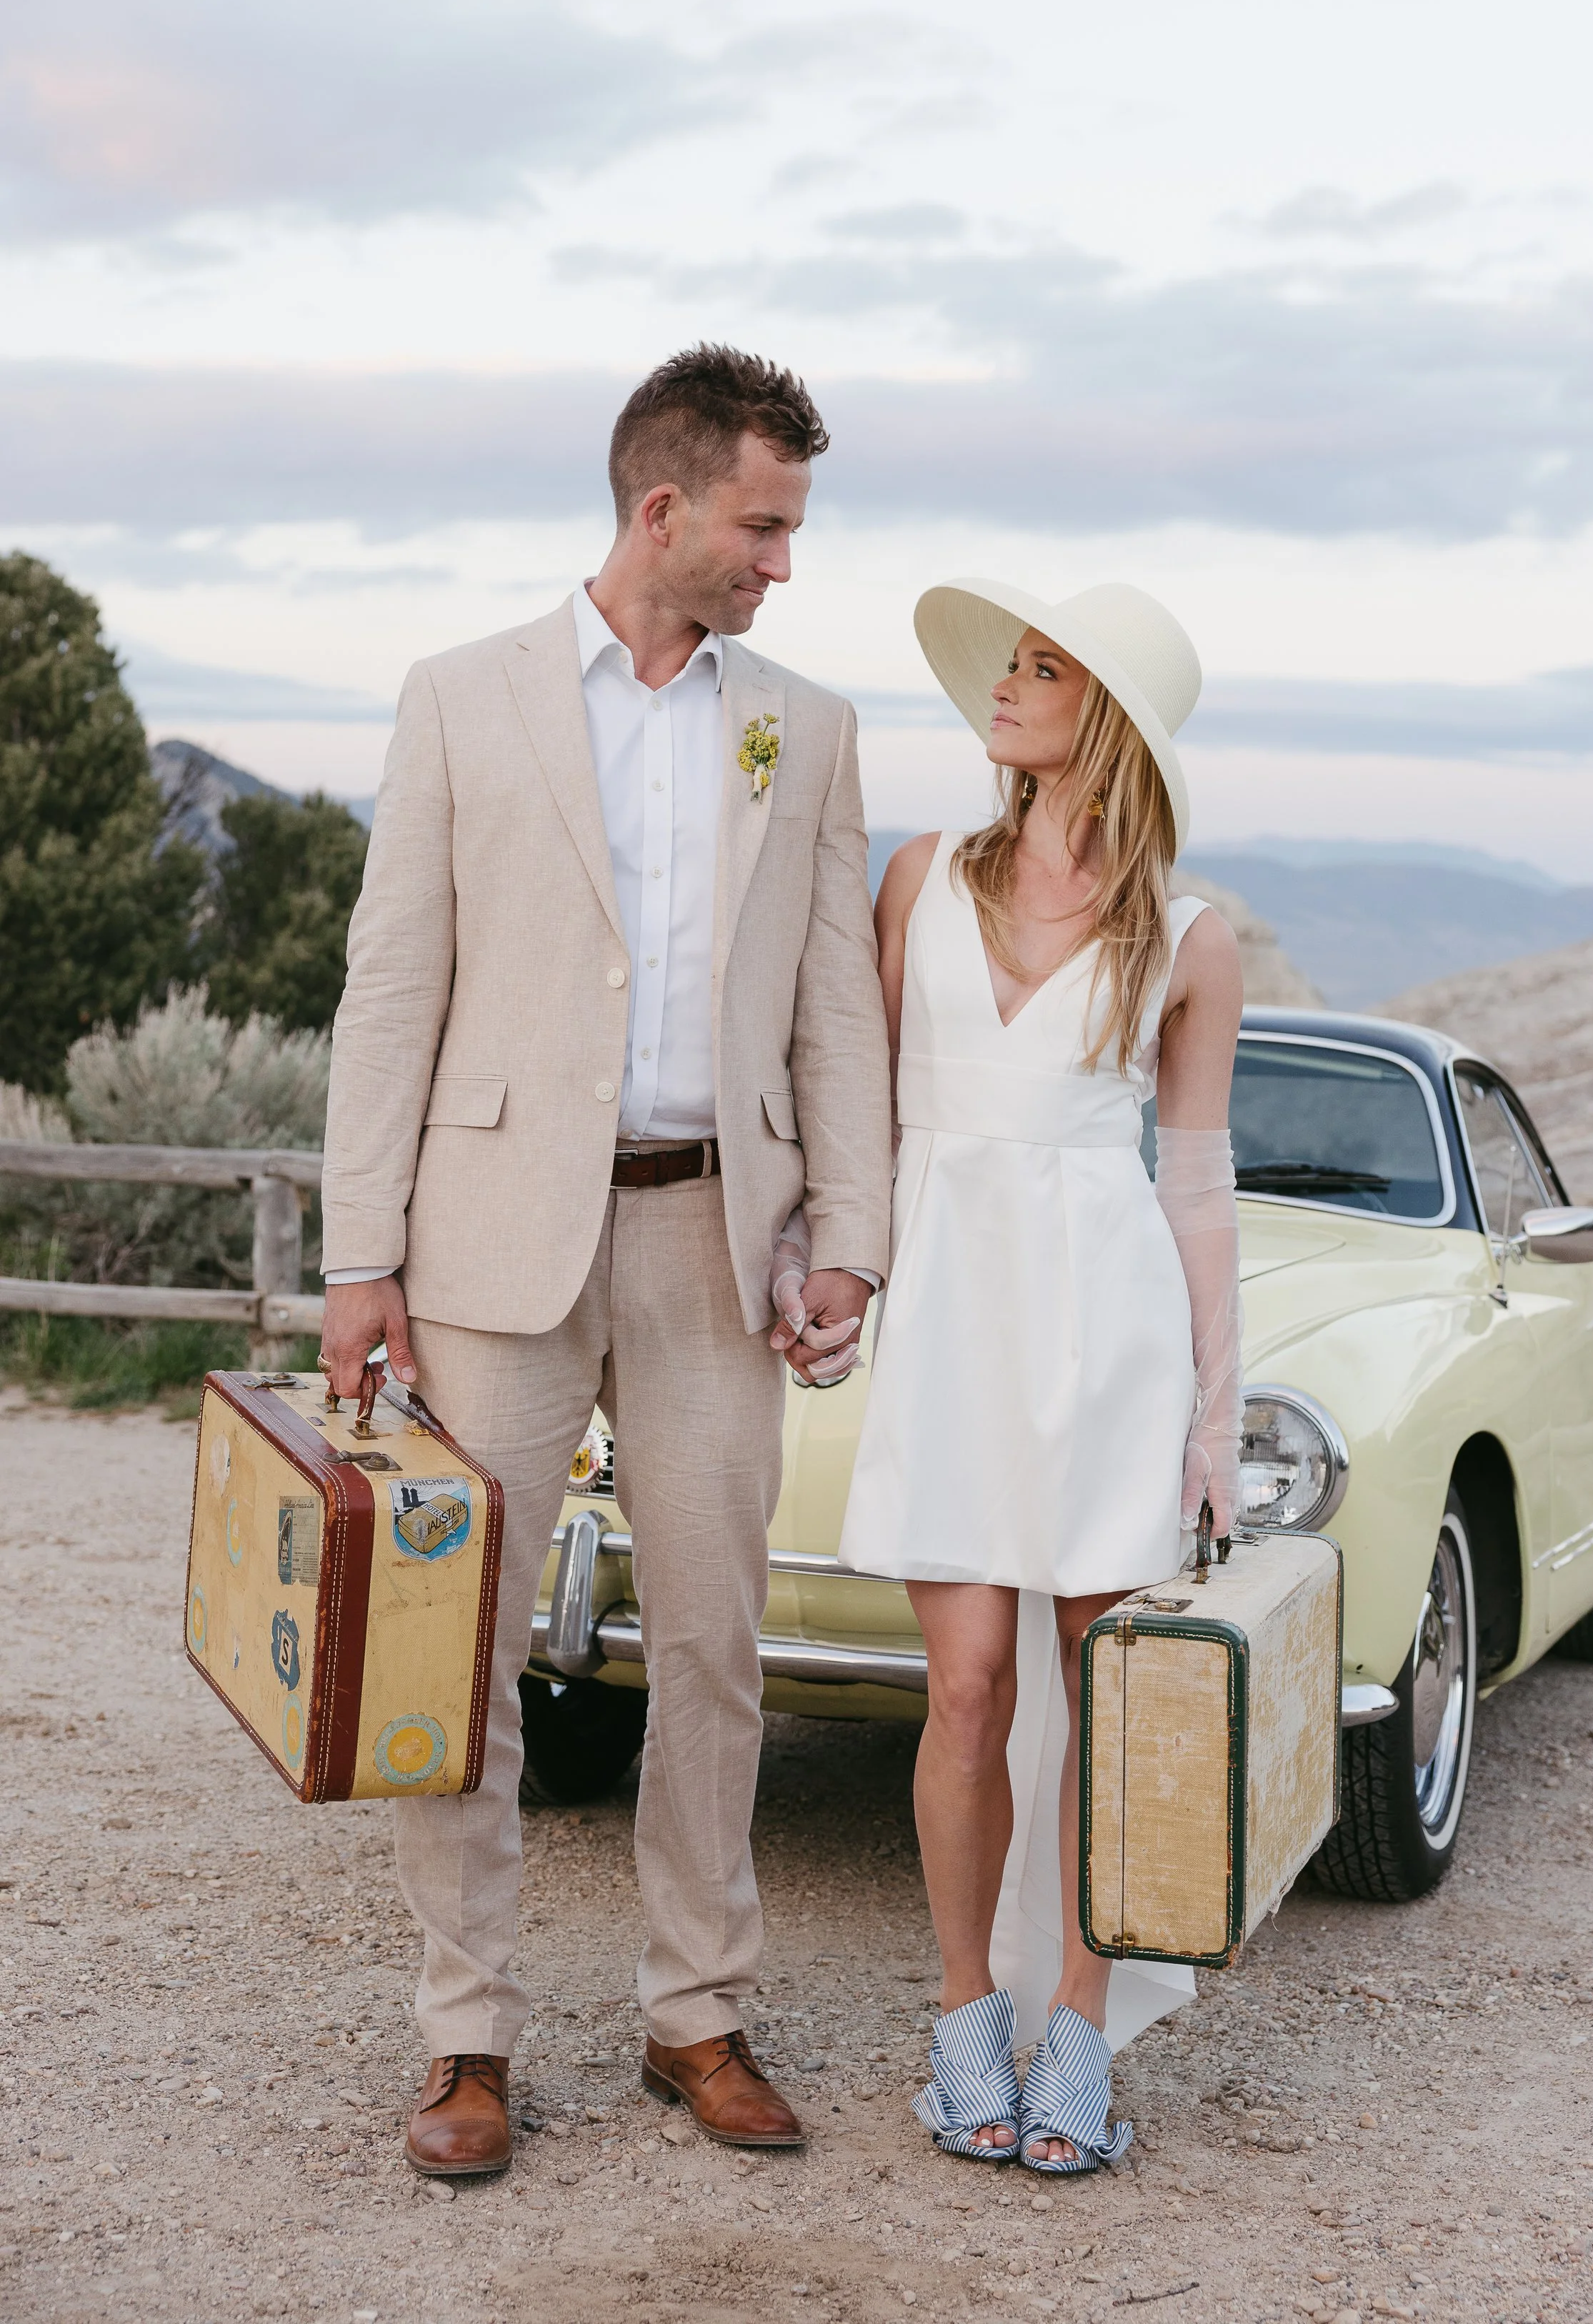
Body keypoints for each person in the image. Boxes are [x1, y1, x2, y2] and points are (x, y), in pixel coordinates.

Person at [319, 346, 892, 2175]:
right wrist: (360, 1253)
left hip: (719, 1236)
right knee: (462, 1646)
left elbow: (830, 1010)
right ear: (664, 509)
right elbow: (390, 989)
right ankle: (465, 2039)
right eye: (764, 524)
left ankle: (695, 2011)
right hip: (492, 1243)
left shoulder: (801, 724)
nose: (781, 564)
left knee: (716, 1638)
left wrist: (852, 1240)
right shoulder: (459, 698)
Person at [839, 579, 1244, 2175]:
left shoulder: (1188, 934)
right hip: (947, 1318)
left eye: (1041, 668)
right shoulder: (921, 876)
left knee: (1096, 1703)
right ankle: (963, 2031)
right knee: (963, 1689)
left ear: (1111, 720)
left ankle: (1077, 2024)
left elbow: (1195, 1181)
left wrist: (1213, 1419)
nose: (1002, 687)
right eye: (1003, 663)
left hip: (1106, 1330)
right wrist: (831, 1274)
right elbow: (860, 1108)